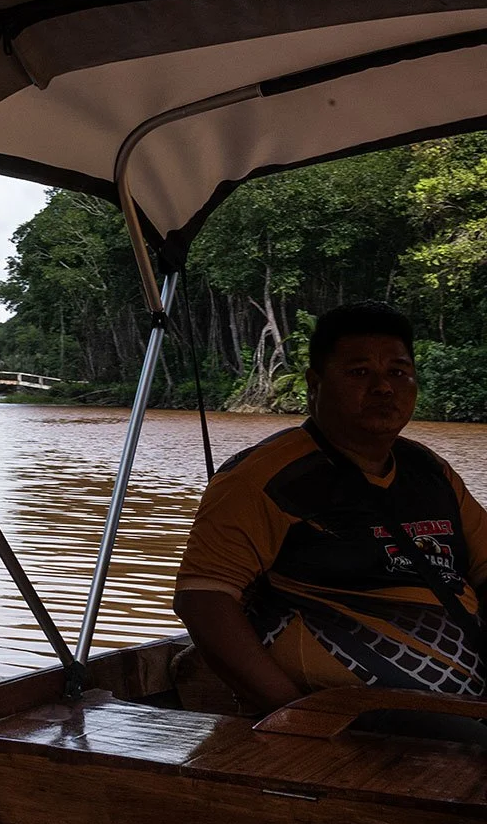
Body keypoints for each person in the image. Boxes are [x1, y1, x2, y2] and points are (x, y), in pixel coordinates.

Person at [173, 301, 487, 737]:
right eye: (359, 373)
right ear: (314, 385)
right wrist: (297, 717)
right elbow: (203, 601)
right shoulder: (262, 479)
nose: (383, 387)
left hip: (465, 699)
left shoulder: (430, 472)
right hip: (352, 716)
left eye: (398, 372)